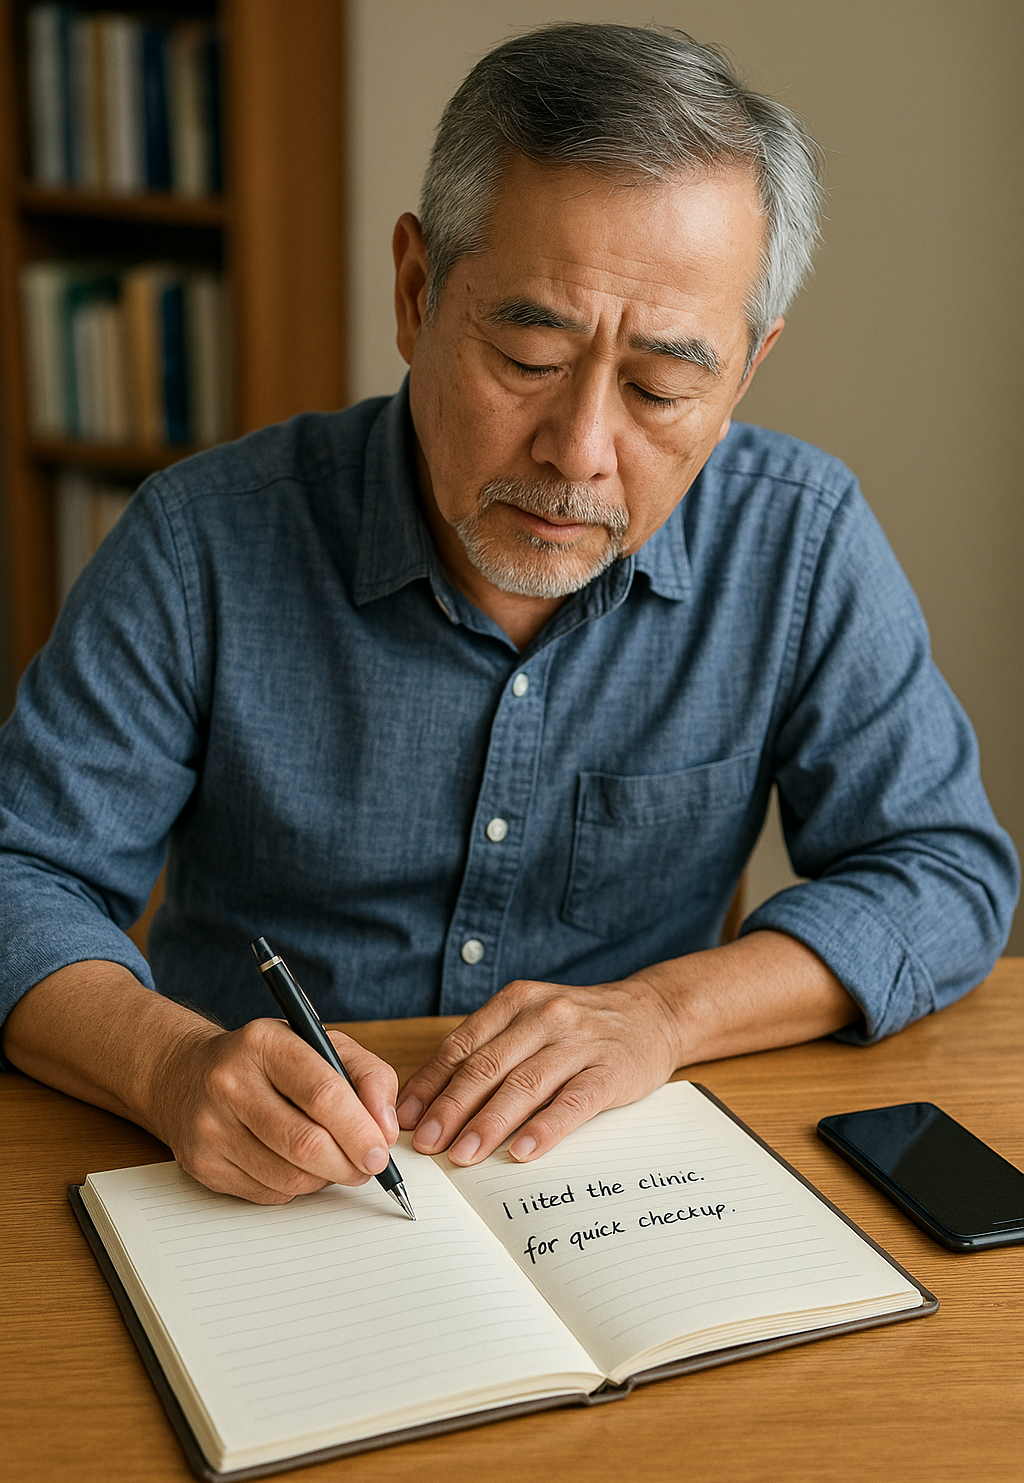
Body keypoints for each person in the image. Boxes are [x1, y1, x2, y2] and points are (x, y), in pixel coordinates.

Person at [0, 25, 1017, 1204]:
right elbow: (23, 876)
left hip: (618, 1192)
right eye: (529, 355)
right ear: (417, 290)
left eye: (661, 388)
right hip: (251, 1186)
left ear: (741, 373)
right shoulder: (199, 542)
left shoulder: (798, 539)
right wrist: (172, 1066)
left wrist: (662, 1014)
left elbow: (940, 873)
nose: (579, 453)